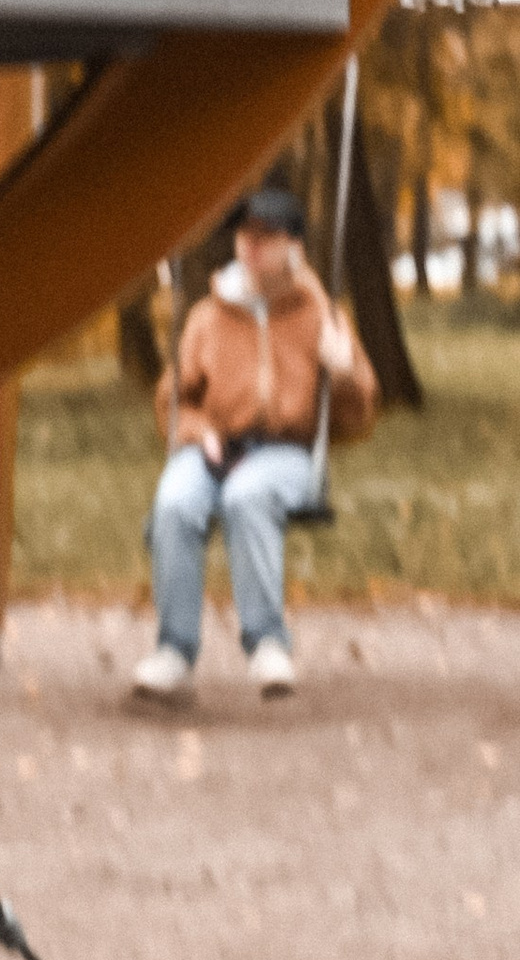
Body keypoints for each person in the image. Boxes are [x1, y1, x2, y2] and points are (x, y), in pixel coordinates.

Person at [132, 181, 377, 704]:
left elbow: (358, 420)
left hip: (286, 452)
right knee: (175, 500)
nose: (250, 246)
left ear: (295, 247)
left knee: (248, 496)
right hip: (215, 446)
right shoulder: (207, 316)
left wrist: (345, 371)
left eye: (265, 236)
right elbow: (171, 403)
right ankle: (174, 652)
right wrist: (199, 433)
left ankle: (267, 644)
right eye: (244, 235)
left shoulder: (321, 314)